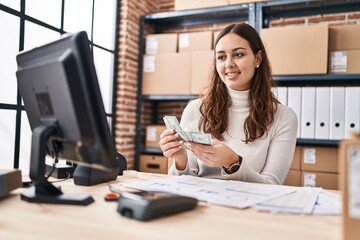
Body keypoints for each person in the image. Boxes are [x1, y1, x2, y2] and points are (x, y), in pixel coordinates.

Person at [159, 23, 298, 184]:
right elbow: (179, 183)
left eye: (238, 55)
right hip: (200, 204)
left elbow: (272, 184)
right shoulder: (196, 109)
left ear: (258, 58)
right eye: (221, 57)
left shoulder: (284, 117)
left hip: (249, 206)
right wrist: (180, 159)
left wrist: (233, 163)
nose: (228, 64)